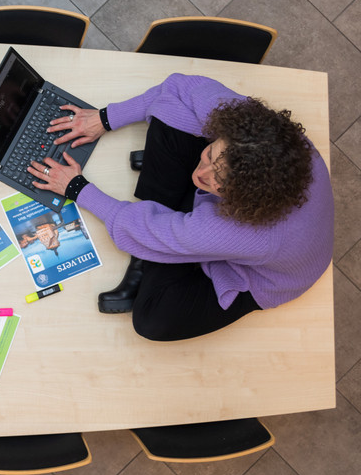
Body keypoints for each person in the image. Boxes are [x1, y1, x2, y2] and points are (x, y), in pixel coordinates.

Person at [27, 74, 332, 341]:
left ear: (240, 196)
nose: (201, 175)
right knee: (173, 109)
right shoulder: (267, 138)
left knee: (152, 320)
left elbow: (175, 233)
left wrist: (78, 189)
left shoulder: (247, 230)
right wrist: (105, 118)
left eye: (219, 184)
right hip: (248, 221)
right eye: (210, 153)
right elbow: (179, 87)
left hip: (268, 273)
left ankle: (145, 256)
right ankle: (158, 234)